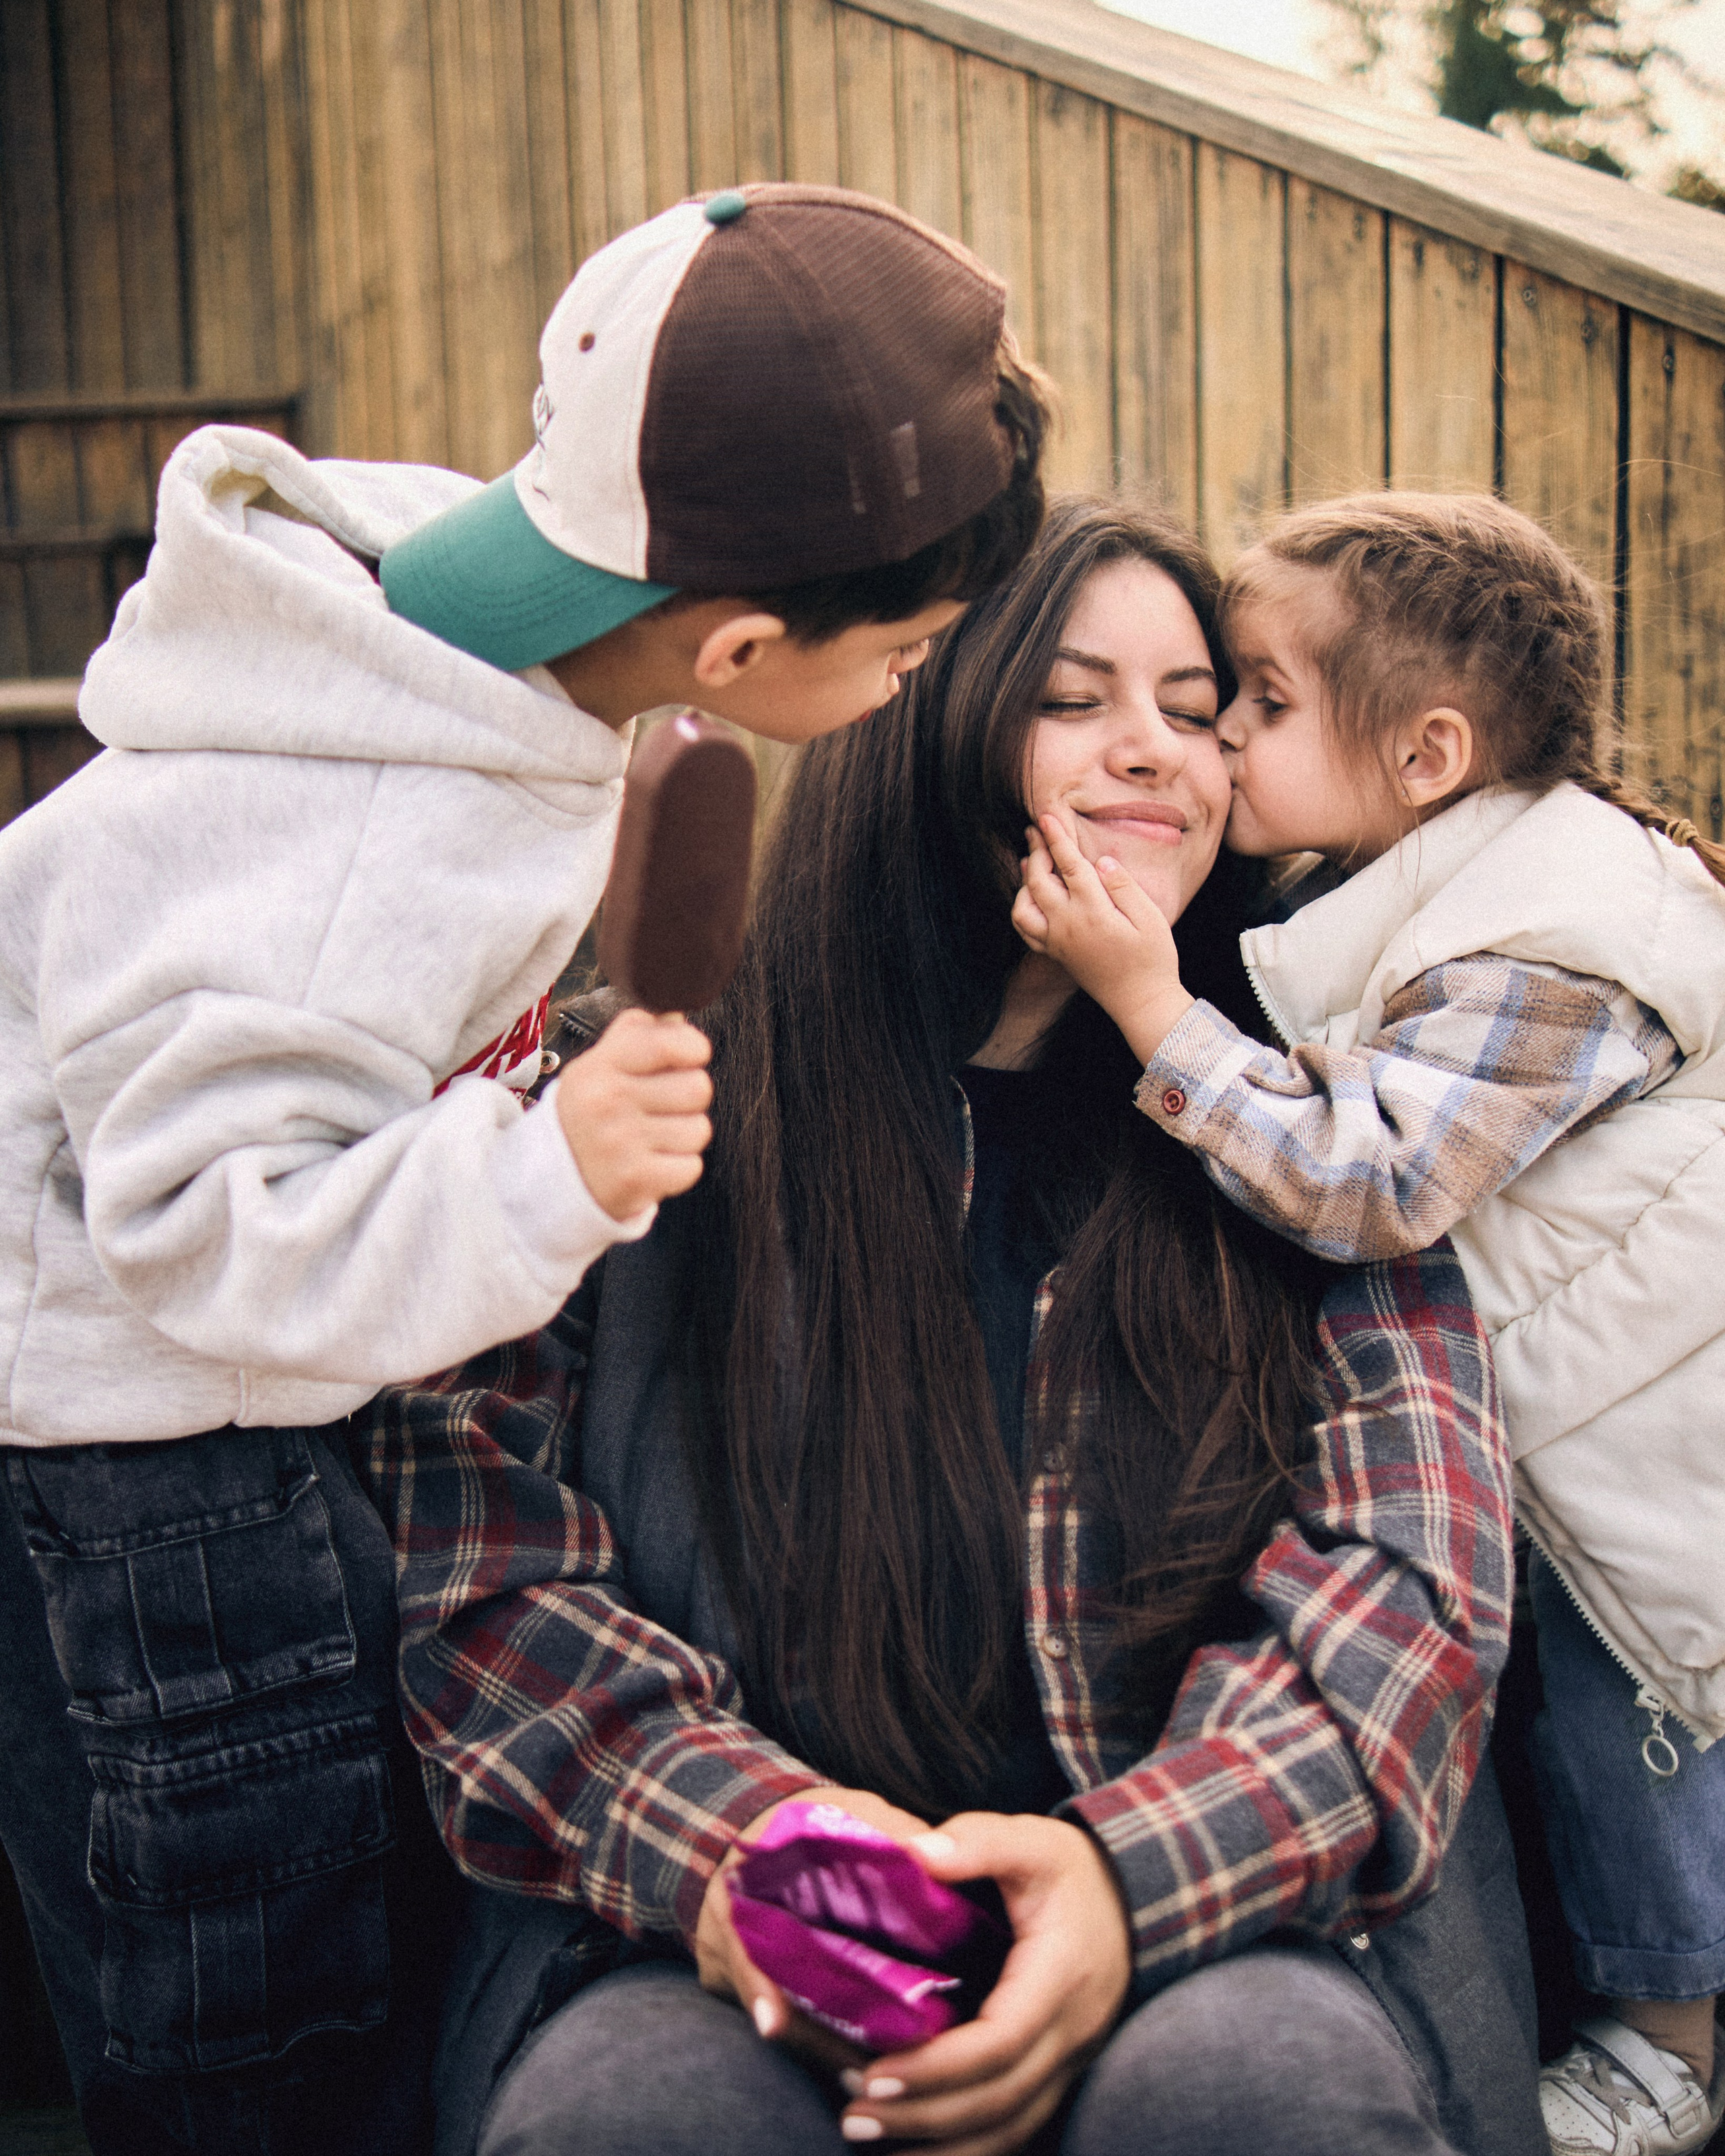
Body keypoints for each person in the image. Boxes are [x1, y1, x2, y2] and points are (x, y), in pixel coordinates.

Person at [0, 184, 1050, 2155]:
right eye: (910, 652)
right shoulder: (349, 853)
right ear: (740, 644)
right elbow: (198, 1240)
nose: (917, 685)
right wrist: (540, 1168)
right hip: (154, 1490)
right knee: (263, 2024)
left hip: (222, 1415)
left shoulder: (458, 627)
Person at [361, 496, 1544, 2156]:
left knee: (1253, 2089)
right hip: (719, 1918)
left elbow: (1411, 1582)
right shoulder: (636, 1097)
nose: (1156, 753)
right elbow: (485, 1577)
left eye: (1197, 713)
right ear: (910, 714)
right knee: (632, 2115)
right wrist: (760, 1864)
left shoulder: (1303, 1134)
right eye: (1073, 700)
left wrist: (1126, 1882)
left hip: (1225, 1911)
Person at [1017, 490, 1725, 2155]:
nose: (1222, 743)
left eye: (1254, 703)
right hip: (1576, 1400)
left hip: (1658, 1432)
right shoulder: (1452, 880)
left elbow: (1369, 1174)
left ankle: (1672, 2042)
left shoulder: (1552, 938)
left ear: (1421, 755)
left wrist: (1145, 1005)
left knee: (1644, 1724)